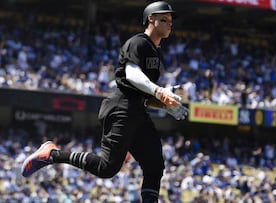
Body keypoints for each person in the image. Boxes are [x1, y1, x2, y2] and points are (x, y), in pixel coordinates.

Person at [21, 1, 188, 202]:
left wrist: (162, 103)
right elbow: (131, 74)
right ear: (150, 18)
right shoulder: (139, 42)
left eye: (171, 20)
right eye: (164, 18)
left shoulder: (156, 52)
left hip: (136, 111)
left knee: (155, 165)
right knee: (106, 169)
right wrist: (159, 91)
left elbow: (141, 93)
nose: (169, 23)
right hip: (121, 108)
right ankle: (52, 154)